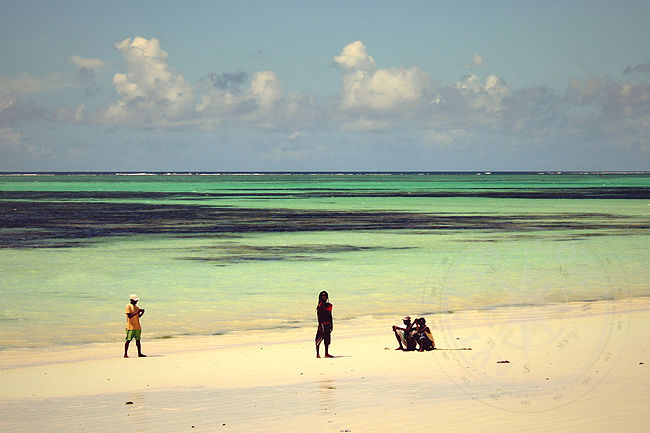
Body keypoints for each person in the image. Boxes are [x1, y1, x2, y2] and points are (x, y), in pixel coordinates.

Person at [124, 294, 146, 358]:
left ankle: (139, 353)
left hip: (137, 326)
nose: (136, 302)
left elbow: (137, 316)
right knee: (128, 340)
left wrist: (142, 313)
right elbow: (129, 316)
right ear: (131, 300)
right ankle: (125, 354)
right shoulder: (128, 306)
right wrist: (137, 312)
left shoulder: (136, 306)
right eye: (135, 300)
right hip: (130, 327)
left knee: (138, 341)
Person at [315, 290, 333, 358]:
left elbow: (330, 315)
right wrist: (320, 325)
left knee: (327, 339)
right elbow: (319, 317)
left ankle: (326, 353)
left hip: (328, 324)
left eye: (325, 295)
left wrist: (331, 324)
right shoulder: (320, 306)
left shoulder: (329, 305)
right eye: (322, 296)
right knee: (320, 338)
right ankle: (317, 354)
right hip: (322, 324)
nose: (324, 297)